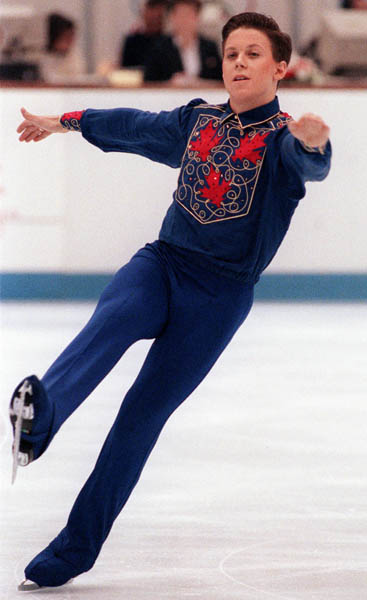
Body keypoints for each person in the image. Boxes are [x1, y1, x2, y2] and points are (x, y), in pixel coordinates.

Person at [10, 11, 332, 591]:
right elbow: (135, 124)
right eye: (232, 53)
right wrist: (66, 121)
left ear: (280, 67)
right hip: (162, 266)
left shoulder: (283, 140)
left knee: (139, 420)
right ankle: (39, 420)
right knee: (106, 325)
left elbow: (309, 164)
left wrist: (317, 144)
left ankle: (73, 552)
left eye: (253, 54)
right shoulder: (199, 120)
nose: (239, 63)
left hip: (219, 299)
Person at [143, 0, 222, 83]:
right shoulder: (159, 47)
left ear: (197, 17)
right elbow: (149, 81)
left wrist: (200, 82)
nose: (185, 20)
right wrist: (170, 82)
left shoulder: (209, 47)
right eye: (180, 15)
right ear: (172, 17)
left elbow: (220, 79)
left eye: (189, 15)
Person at [120, 0, 168, 70]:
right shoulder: (132, 41)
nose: (155, 16)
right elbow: (125, 71)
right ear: (144, 14)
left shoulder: (169, 43)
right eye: (151, 10)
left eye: (159, 16)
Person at [40, 13, 85, 83]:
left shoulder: (74, 54)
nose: (71, 40)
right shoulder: (39, 56)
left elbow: (78, 77)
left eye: (72, 36)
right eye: (66, 37)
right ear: (53, 37)